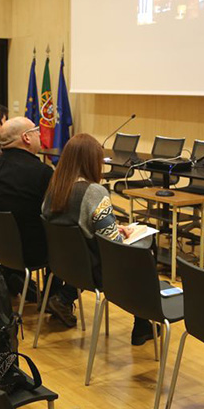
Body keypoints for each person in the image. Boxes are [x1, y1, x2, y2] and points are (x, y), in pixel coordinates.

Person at [41, 133, 154, 343]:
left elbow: (80, 226)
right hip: (97, 273)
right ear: (90, 162)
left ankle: (65, 296)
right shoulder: (94, 192)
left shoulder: (54, 188)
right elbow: (113, 245)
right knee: (145, 248)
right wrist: (126, 234)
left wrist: (114, 227)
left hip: (65, 267)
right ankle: (142, 325)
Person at [0, 117, 56, 312]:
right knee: (68, 236)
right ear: (26, 138)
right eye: (36, 130)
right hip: (29, 252)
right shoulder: (42, 173)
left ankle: (16, 279)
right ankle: (56, 298)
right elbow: (55, 214)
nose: (40, 134)